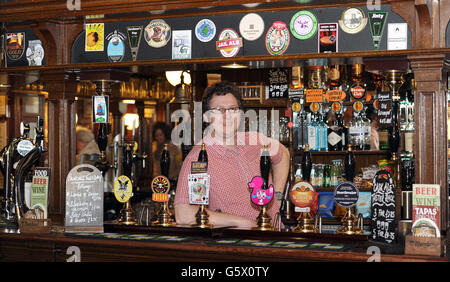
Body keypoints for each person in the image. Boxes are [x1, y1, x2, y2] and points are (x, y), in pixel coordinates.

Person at [174, 81, 290, 229]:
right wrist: (239, 221)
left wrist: (277, 197)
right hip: (237, 244)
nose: (227, 116)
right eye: (219, 110)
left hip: (274, 235)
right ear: (206, 117)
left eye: (232, 109)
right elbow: (183, 214)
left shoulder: (254, 140)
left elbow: (283, 154)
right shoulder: (199, 157)